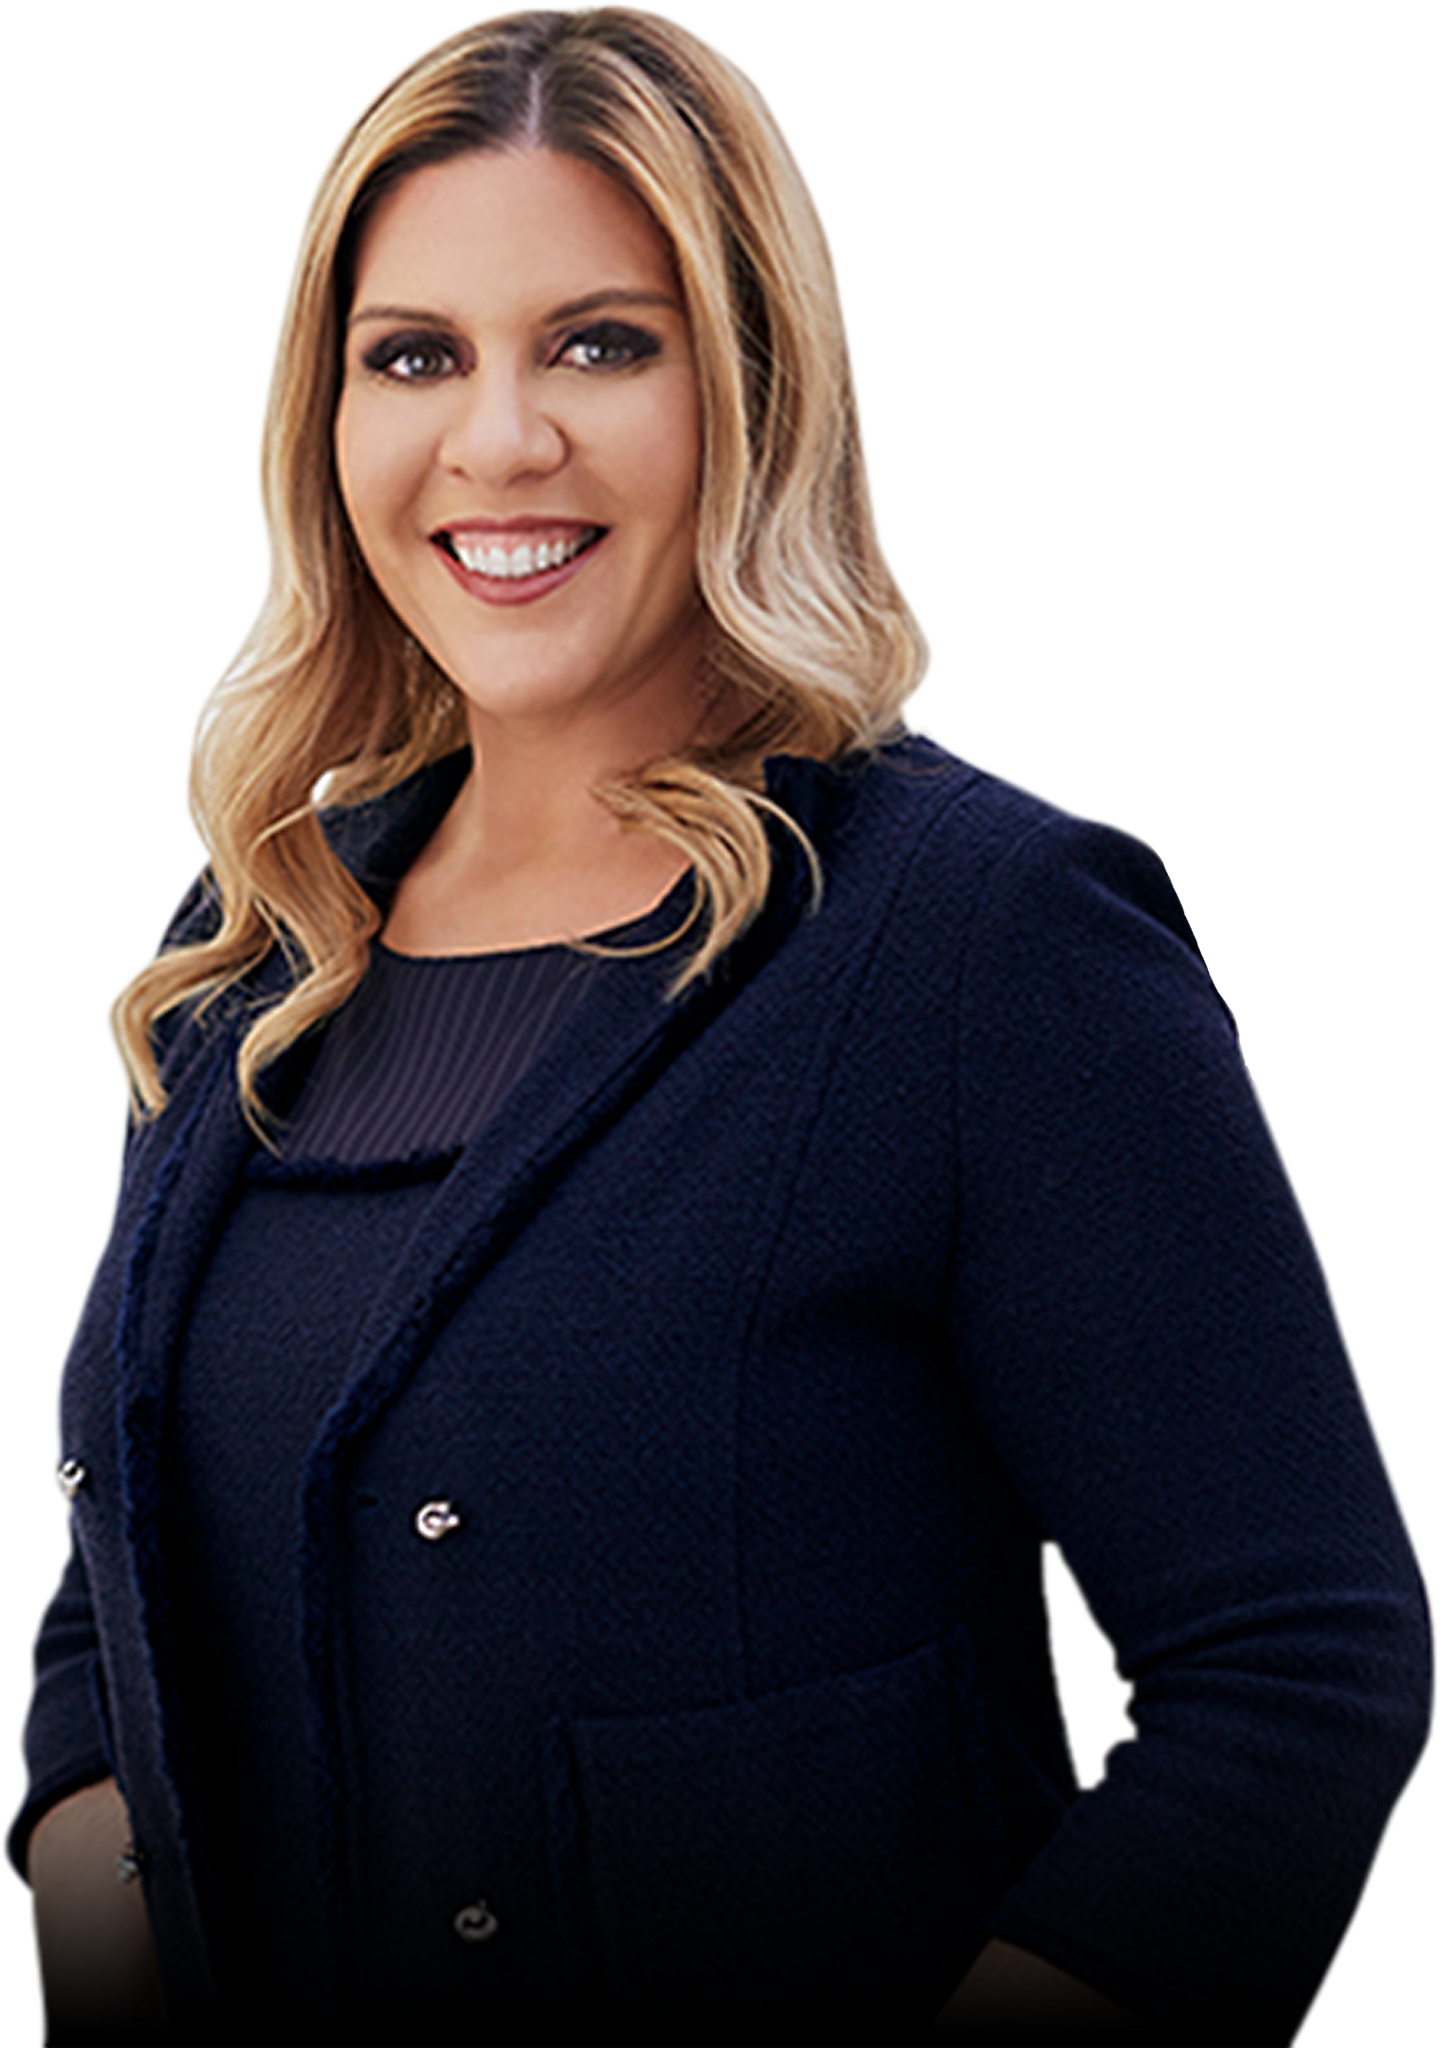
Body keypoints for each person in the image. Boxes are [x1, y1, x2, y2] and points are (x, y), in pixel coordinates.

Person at [4, 5, 1433, 2040]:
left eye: (603, 345)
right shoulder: (257, 941)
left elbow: (1299, 1666)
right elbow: (122, 1585)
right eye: (414, 356)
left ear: (757, 389)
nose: (500, 440)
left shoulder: (983, 939)